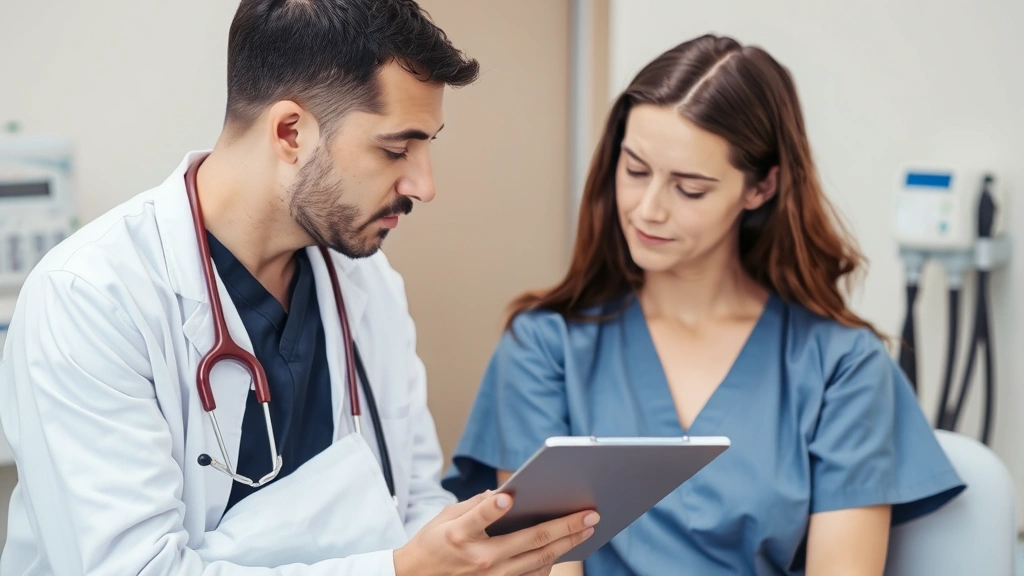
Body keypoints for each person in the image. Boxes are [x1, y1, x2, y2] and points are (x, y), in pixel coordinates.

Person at [0, 1, 599, 574]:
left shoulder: (367, 285)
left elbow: (413, 502)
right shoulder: (91, 298)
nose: (423, 184)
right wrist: (401, 571)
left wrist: (474, 555)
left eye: (426, 146)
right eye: (396, 149)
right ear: (291, 132)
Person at [442, 34, 966, 576]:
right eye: (635, 170)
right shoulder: (546, 347)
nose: (647, 210)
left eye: (689, 189)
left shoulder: (842, 366)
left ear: (761, 188)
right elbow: (545, 563)